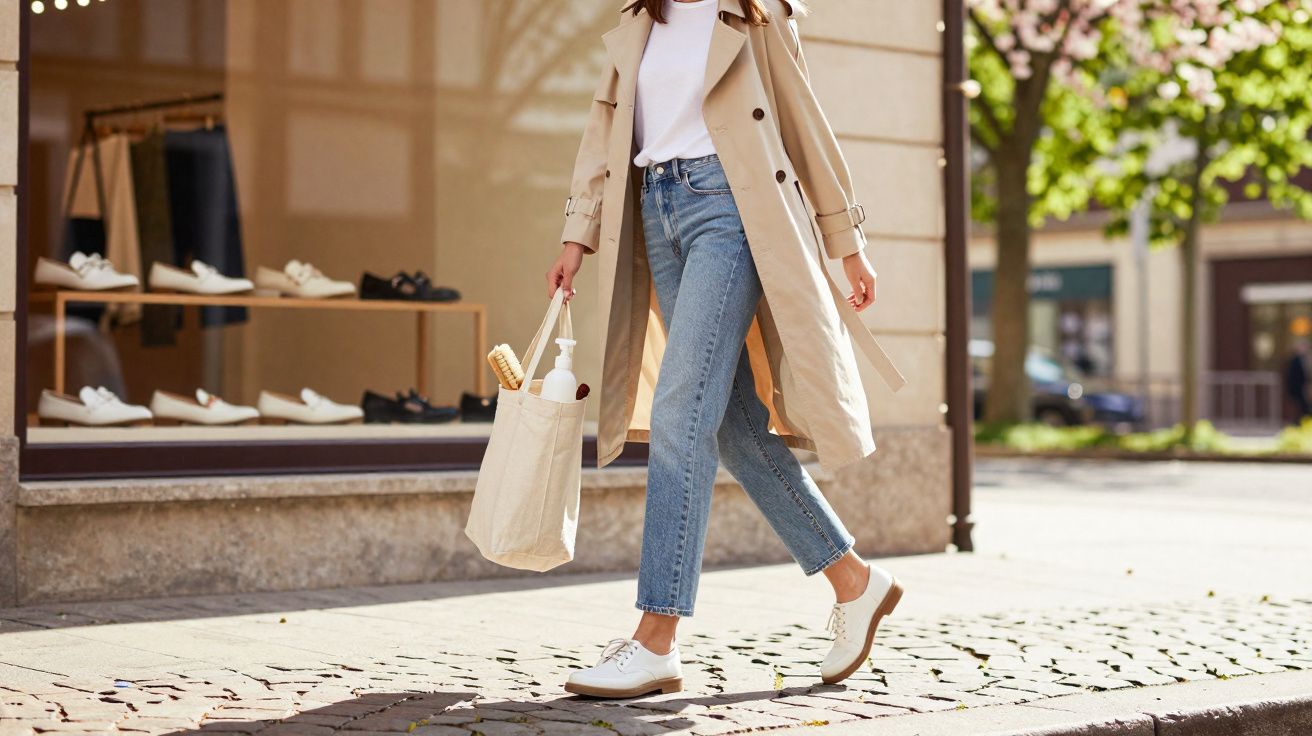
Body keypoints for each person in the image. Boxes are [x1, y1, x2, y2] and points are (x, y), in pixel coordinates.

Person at [546, 0, 906, 699]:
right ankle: (855, 582)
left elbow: (805, 124)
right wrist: (575, 233)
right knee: (735, 426)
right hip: (657, 212)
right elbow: (604, 130)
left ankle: (656, 637)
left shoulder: (755, 14)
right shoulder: (638, 20)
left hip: (729, 210)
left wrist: (847, 240)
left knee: (680, 414)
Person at [1287, 339, 1311, 422]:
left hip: (1302, 390)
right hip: (1297, 389)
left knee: (1303, 408)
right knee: (1300, 408)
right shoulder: (1295, 361)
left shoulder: (1304, 360)